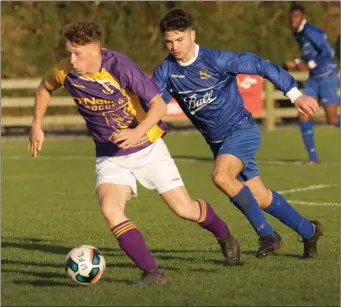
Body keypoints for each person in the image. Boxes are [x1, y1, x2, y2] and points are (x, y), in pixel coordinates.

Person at [27, 21, 241, 286]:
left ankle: (223, 233)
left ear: (96, 49)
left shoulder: (120, 66)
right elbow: (44, 87)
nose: (71, 60)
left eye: (77, 53)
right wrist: (37, 124)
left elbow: (158, 106)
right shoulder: (66, 70)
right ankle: (152, 272)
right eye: (69, 52)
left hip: (148, 148)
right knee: (110, 208)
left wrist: (137, 132)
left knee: (184, 209)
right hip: (110, 155)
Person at [152, 8, 323, 259]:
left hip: (242, 130)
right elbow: (155, 105)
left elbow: (260, 65)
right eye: (169, 41)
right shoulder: (166, 71)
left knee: (221, 176)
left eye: (180, 39)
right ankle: (309, 231)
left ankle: (267, 234)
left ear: (192, 35)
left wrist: (295, 95)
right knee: (260, 197)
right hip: (218, 144)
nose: (175, 46)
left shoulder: (217, 60)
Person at [285, 4, 340, 164]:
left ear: (303, 17)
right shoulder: (298, 34)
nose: (293, 20)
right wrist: (296, 62)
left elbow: (329, 52)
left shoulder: (311, 31)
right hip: (314, 79)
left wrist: (309, 65)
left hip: (327, 76)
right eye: (291, 17)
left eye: (296, 17)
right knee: (303, 113)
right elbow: (309, 55)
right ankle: (313, 158)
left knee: (332, 120)